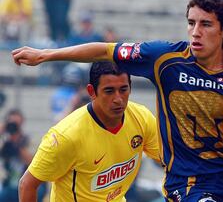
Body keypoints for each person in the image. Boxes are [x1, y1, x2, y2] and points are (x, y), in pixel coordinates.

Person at [12, 0, 223, 201]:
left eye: (205, 24)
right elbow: (104, 50)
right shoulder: (165, 58)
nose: (195, 31)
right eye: (191, 22)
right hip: (186, 183)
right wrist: (46, 54)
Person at [18, 61, 160, 202]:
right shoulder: (66, 136)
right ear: (92, 92)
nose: (118, 99)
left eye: (123, 90)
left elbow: (168, 159)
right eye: (109, 91)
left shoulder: (142, 118)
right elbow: (27, 185)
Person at [0, 109, 47, 202]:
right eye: (11, 124)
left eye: (16, 124)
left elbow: (34, 161)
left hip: (27, 181)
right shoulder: (3, 140)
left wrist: (17, 144)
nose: (13, 127)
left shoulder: (28, 140)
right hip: (8, 183)